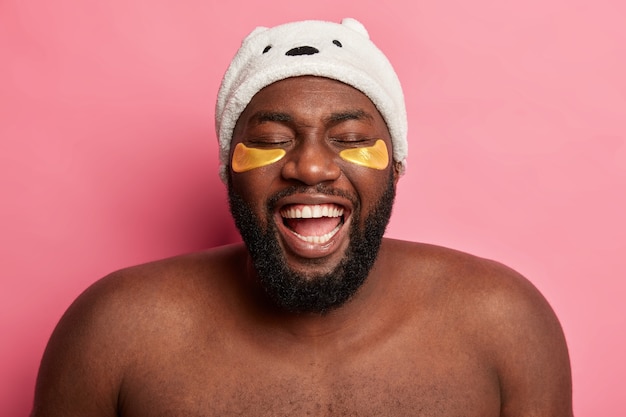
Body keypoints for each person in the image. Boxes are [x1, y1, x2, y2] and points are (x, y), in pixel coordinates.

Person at [31, 18, 573, 416]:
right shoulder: (113, 333)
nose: (310, 165)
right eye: (271, 139)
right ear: (229, 167)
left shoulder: (505, 325)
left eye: (351, 138)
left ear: (396, 164)